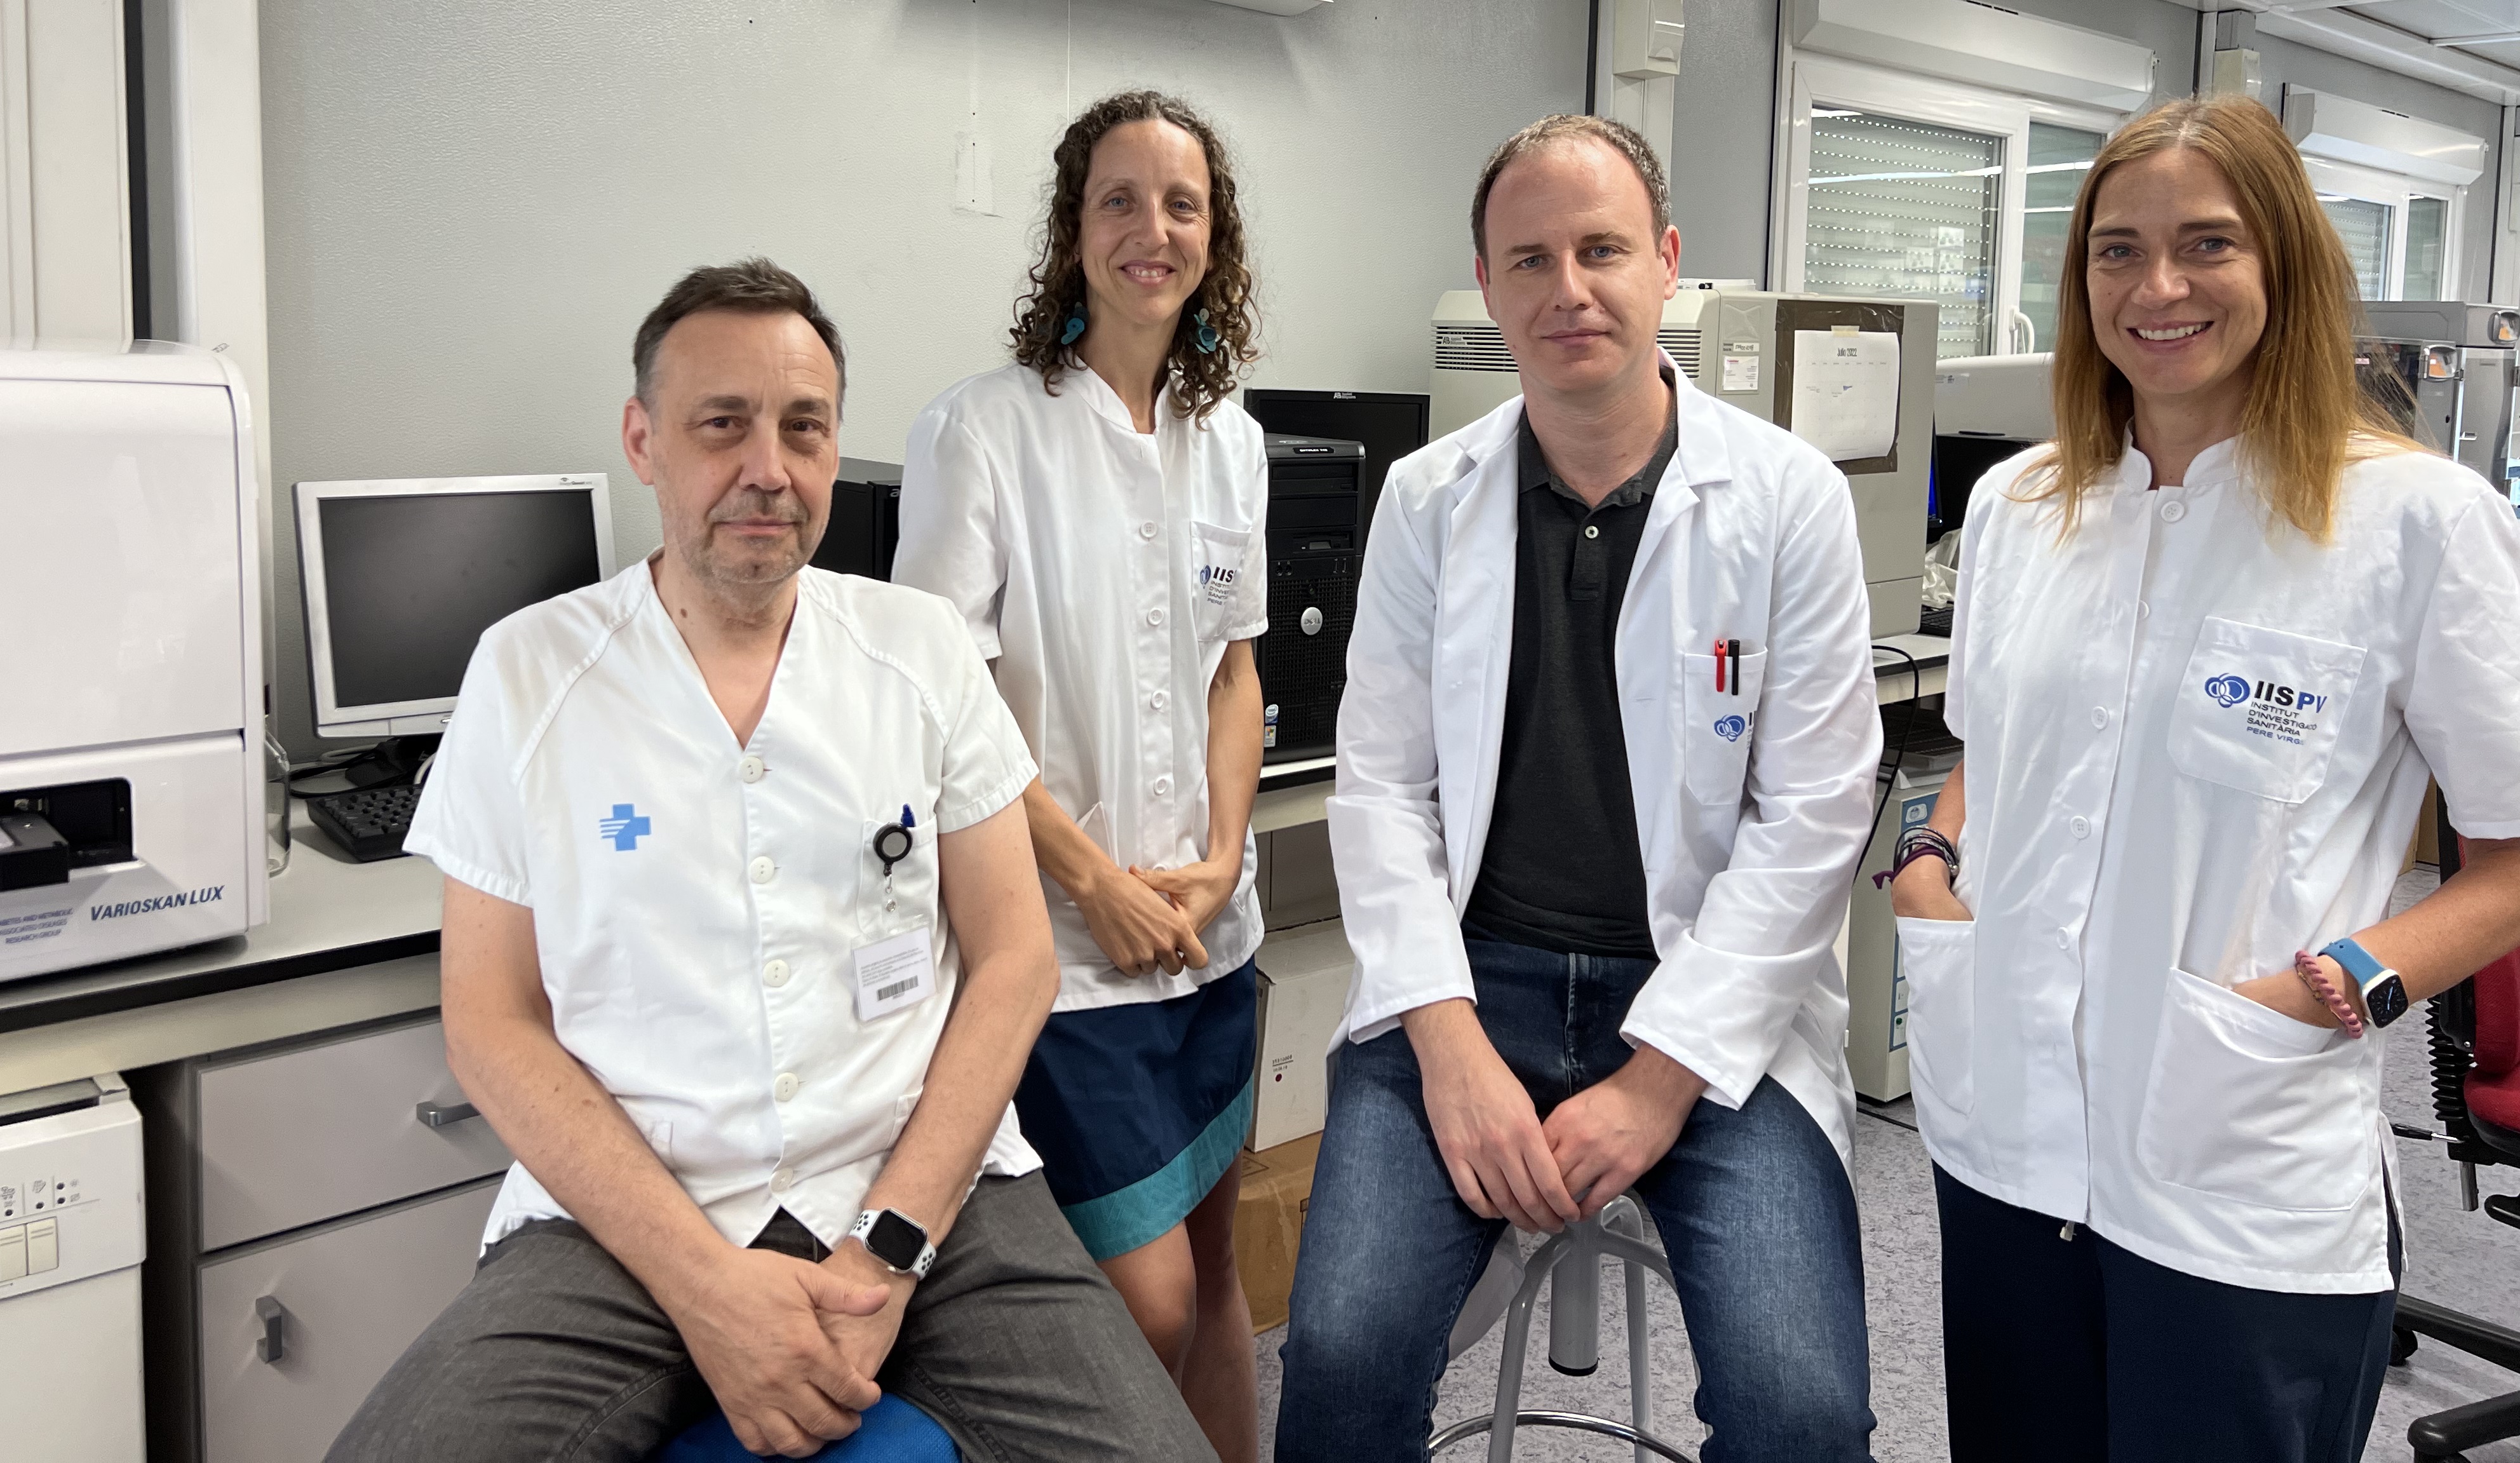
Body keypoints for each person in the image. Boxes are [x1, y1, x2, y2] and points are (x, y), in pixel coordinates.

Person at [330, 259, 1215, 1463]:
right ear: (643, 442)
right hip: (630, 1215)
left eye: (804, 427)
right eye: (721, 425)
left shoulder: (917, 650)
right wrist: (705, 1288)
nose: (769, 468)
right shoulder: (529, 674)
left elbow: (1015, 962)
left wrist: (889, 1246)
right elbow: (492, 1022)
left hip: (923, 1187)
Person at [1889, 95, 2520, 1463]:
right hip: (2006, 1132)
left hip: (2238, 1156)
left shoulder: (2416, 521)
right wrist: (1928, 871)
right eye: (2118, 250)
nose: (2158, 287)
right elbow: (1991, 752)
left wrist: (2352, 979)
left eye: (2208, 244)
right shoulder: (2020, 505)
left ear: (2285, 263)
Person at [1276, 115, 1881, 1462]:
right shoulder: (1428, 500)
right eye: (1530, 260)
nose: (1569, 289)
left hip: (1709, 1005)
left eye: (1601, 250)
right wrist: (1448, 1052)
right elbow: (1381, 794)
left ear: (1666, 262)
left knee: (1803, 1414)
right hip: (1467, 984)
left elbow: (1815, 819)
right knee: (1341, 1357)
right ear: (1487, 288)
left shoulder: (1786, 498)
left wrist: (1661, 1082)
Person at [894, 92, 1268, 1463]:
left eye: (1181, 204)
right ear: (1072, 230)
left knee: (1217, 1273)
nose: (1150, 230)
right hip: (1066, 952)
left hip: (1211, 937)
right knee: (1143, 1303)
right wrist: (1096, 883)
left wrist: (1220, 859)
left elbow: (1235, 672)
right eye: (1119, 199)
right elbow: (943, 708)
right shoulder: (980, 433)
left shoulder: (1231, 438)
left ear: (1213, 237)